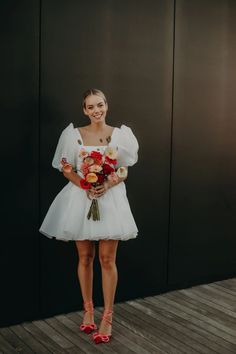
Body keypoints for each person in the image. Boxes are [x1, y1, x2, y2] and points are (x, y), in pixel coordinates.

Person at [39, 88, 139, 344]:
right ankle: (88, 311)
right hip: (81, 200)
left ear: (106, 105)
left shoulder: (119, 135)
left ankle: (107, 316)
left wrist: (107, 184)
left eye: (101, 104)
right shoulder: (73, 135)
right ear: (84, 110)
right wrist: (84, 184)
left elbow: (124, 169)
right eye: (91, 107)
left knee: (107, 259)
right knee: (85, 257)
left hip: (110, 199)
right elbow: (66, 168)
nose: (97, 110)